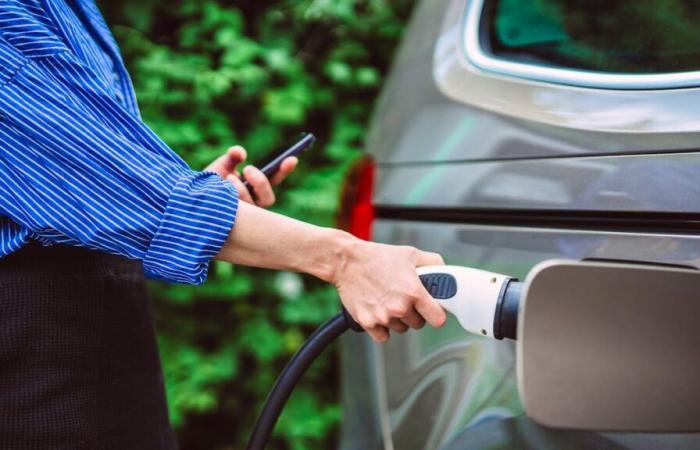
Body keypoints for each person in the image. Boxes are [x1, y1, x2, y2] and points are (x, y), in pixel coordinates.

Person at [0, 1, 447, 449]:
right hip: (40, 366)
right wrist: (346, 259)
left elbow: (82, 185)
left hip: (90, 343)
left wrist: (201, 198)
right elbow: (99, 178)